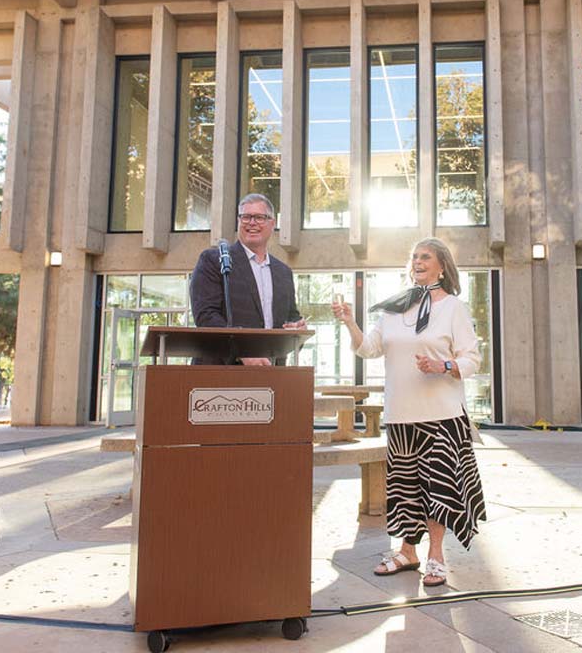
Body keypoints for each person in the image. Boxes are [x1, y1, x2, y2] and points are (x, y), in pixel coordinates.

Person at [331, 238, 484, 588]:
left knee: (438, 487)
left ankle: (436, 556)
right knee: (404, 488)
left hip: (442, 415)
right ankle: (407, 552)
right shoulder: (394, 308)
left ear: (442, 267)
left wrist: (444, 365)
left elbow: (472, 359)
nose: (417, 261)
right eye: (414, 256)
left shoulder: (453, 308)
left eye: (425, 257)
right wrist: (350, 323)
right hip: (401, 414)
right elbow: (369, 349)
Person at [189, 193, 306, 364]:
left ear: (272, 223)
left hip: (271, 371)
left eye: (259, 217)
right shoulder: (214, 260)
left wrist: (297, 329)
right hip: (221, 370)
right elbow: (206, 316)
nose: (252, 223)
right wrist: (242, 352)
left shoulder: (284, 272)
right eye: (246, 217)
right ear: (239, 221)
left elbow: (290, 317)